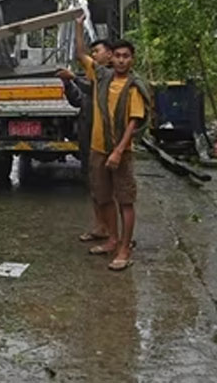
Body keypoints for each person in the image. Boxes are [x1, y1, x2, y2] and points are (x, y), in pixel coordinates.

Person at [75, 14, 150, 271]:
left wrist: (118, 151)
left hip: (121, 152)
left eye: (125, 56)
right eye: (117, 56)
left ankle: (124, 248)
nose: (121, 60)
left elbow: (133, 122)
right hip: (98, 148)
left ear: (132, 59)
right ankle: (112, 239)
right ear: (110, 57)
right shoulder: (102, 77)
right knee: (103, 197)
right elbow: (80, 55)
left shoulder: (133, 87)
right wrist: (77, 25)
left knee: (125, 201)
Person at [56, 38, 113, 242]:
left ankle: (113, 232)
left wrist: (74, 78)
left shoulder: (110, 79)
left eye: (97, 51)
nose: (94, 55)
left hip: (106, 142)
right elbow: (78, 99)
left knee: (108, 190)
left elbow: (94, 90)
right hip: (89, 138)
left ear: (109, 55)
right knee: (94, 185)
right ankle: (100, 226)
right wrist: (68, 82)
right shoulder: (92, 77)